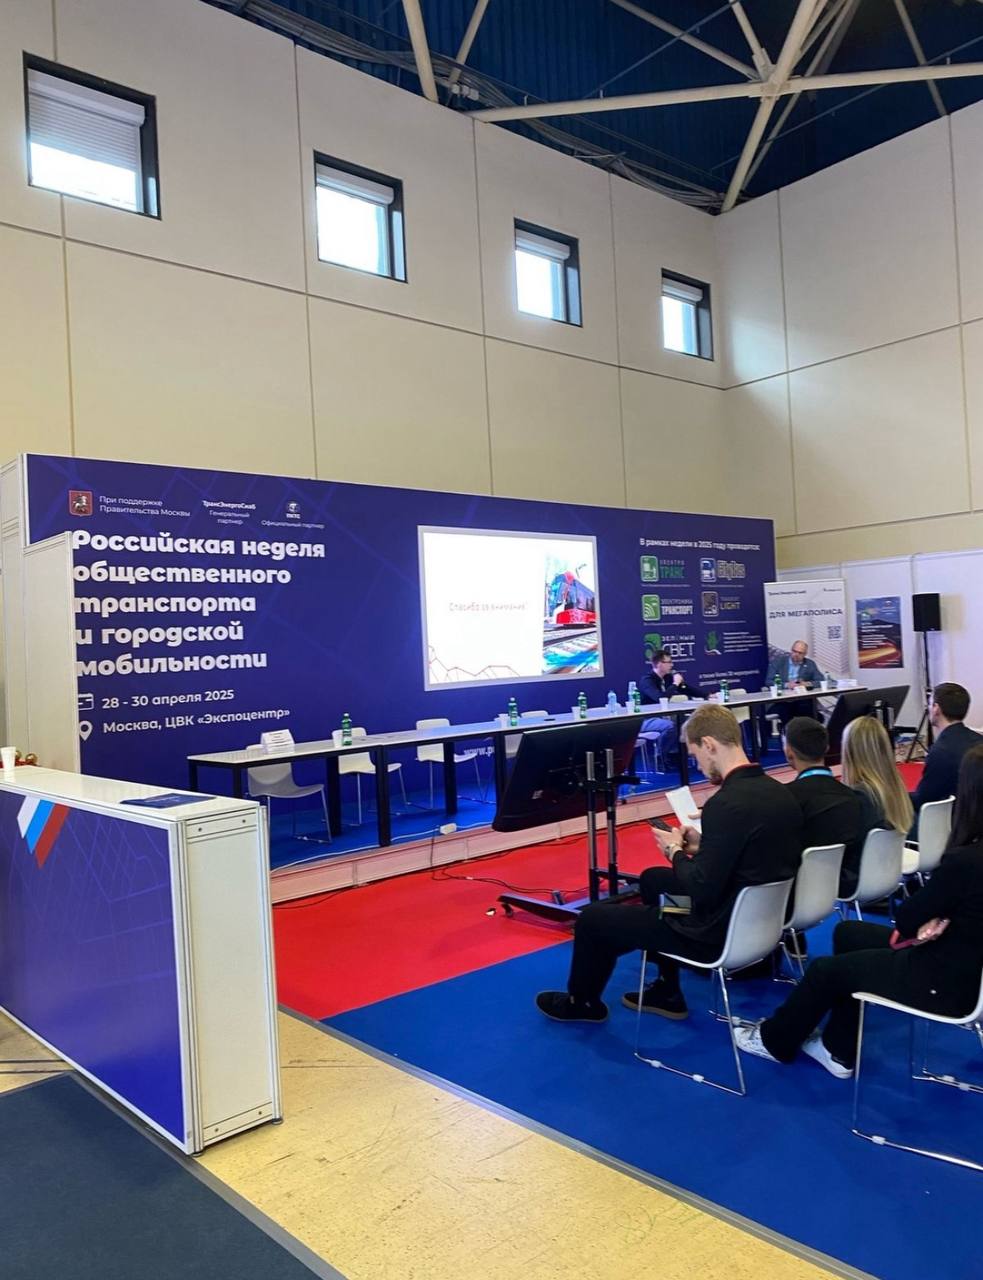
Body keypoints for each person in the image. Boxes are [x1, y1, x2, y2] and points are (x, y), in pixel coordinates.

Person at [535, 704, 803, 1023]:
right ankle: (667, 988)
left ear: (709, 745)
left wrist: (675, 851)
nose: (698, 765)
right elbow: (752, 854)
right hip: (760, 921)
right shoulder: (780, 793)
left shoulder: (725, 803)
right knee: (655, 881)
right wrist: (703, 845)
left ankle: (582, 1003)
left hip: (712, 929)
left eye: (696, 756)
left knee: (593, 918)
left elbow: (700, 888)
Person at [736, 742, 983, 1078]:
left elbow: (908, 918)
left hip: (944, 980)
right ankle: (837, 1047)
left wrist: (938, 914)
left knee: (824, 971)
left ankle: (774, 1041)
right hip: (960, 963)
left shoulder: (967, 861)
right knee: (849, 933)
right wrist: (946, 915)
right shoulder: (969, 861)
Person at [839, 715, 913, 895]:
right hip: (887, 872)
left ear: (850, 753)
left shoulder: (859, 797)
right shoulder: (895, 787)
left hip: (856, 879)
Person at [910, 683, 983, 814]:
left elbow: (923, 800)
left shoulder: (941, 751)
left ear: (936, 709)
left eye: (930, 704)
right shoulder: (979, 740)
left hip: (957, 819)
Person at [637, 649, 700, 765]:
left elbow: (687, 689)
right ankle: (661, 757)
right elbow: (661, 698)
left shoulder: (667, 678)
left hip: (662, 716)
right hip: (645, 719)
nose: (672, 665)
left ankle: (677, 756)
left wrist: (707, 695)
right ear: (659, 664)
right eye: (669, 662)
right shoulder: (647, 680)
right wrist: (675, 684)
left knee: (687, 722)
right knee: (671, 726)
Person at [763, 639, 825, 730]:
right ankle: (788, 734)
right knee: (784, 712)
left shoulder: (809, 664)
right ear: (791, 650)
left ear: (805, 654)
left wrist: (807, 684)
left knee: (808, 710)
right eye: (794, 651)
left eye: (800, 653)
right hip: (782, 700)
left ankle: (807, 734)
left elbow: (821, 680)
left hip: (801, 699)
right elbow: (769, 681)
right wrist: (787, 685)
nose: (796, 654)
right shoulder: (778, 662)